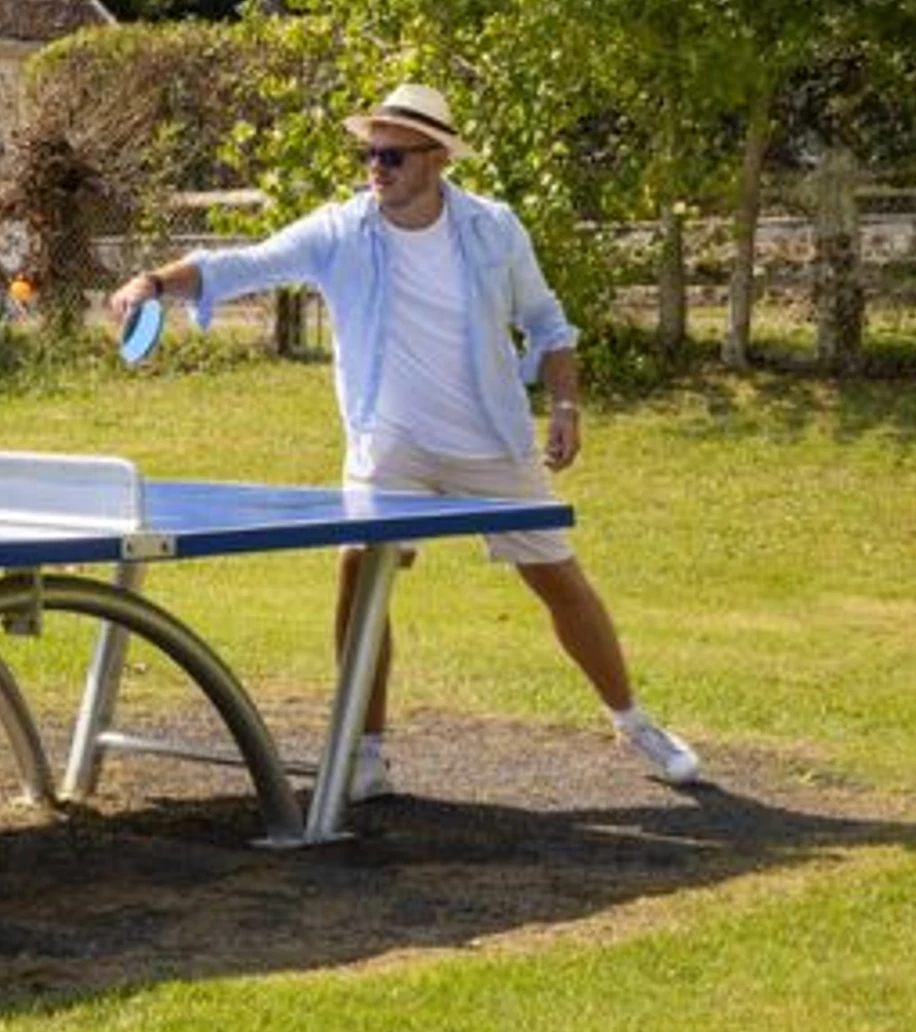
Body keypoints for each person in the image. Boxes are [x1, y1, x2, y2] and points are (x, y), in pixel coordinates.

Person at [108, 82, 699, 801]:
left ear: (437, 159)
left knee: (558, 580)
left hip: (492, 440)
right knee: (360, 571)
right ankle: (364, 753)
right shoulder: (339, 231)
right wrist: (150, 282)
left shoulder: (494, 229)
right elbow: (241, 265)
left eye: (392, 156)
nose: (376, 168)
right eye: (370, 154)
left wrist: (566, 404)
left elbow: (547, 322)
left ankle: (632, 721)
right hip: (390, 447)